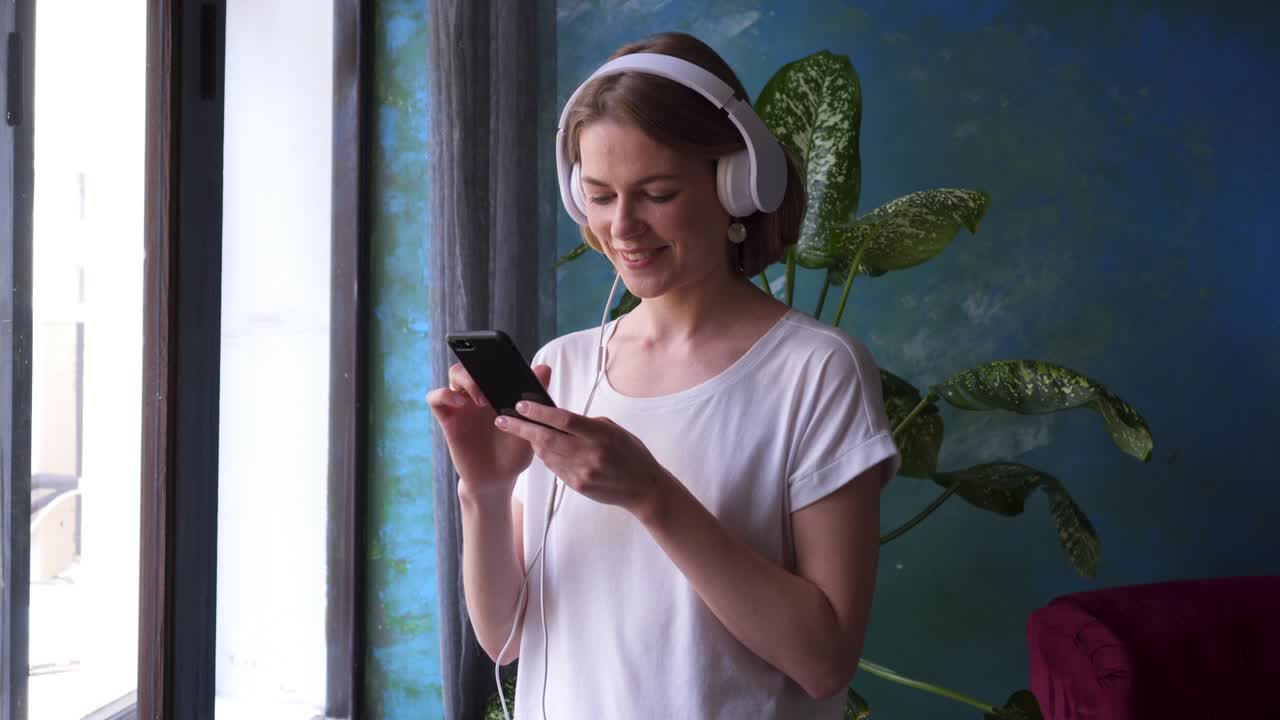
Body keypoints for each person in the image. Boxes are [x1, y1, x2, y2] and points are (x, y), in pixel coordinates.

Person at [427, 31, 901, 720]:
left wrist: (650, 494)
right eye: (598, 194)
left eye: (656, 193)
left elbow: (825, 660)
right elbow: (506, 639)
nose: (622, 227)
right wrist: (486, 489)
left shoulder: (816, 371)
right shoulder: (568, 365)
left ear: (737, 184)